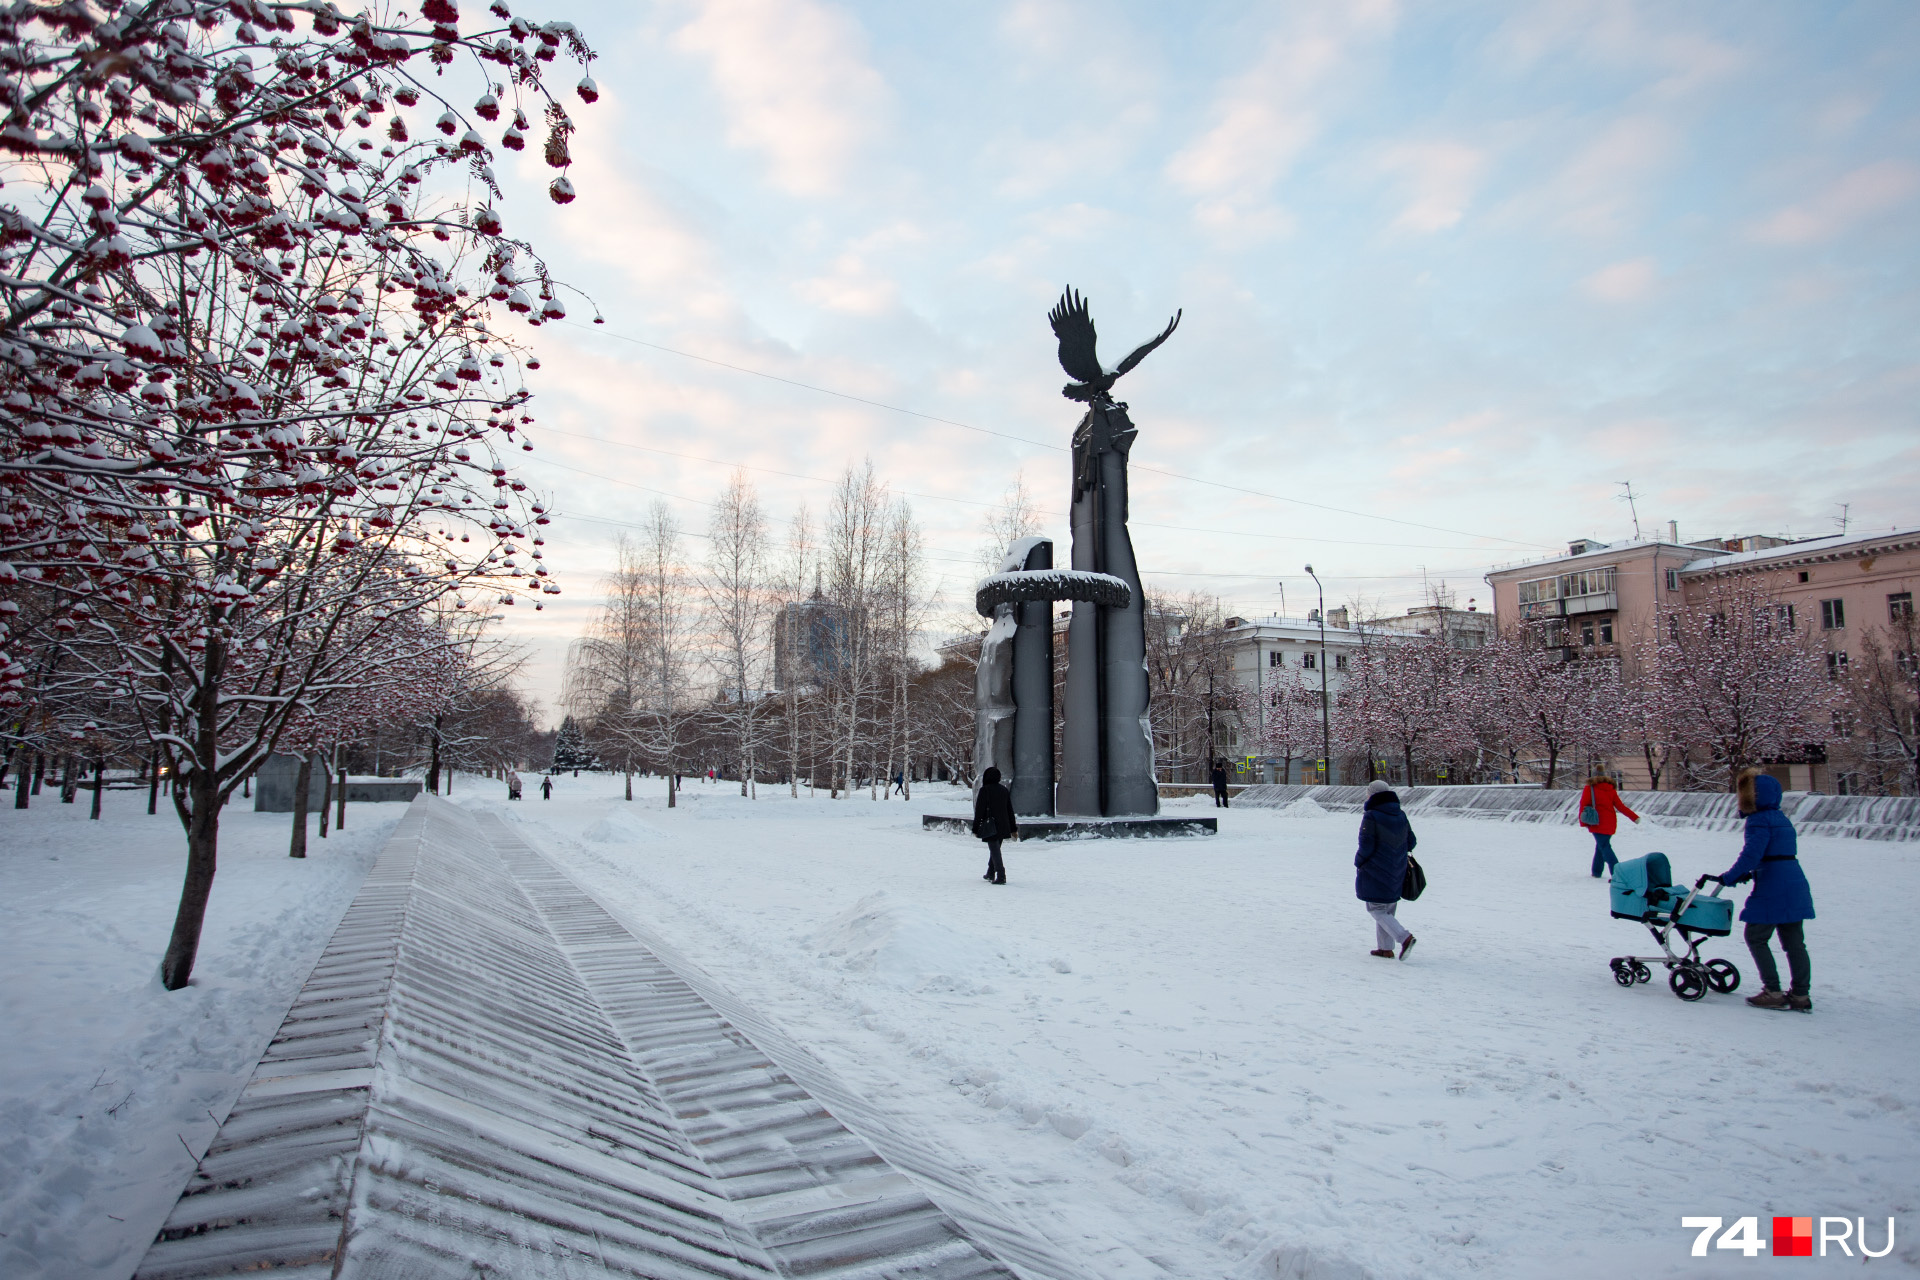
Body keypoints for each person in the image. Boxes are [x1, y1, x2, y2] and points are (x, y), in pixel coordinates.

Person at [1711, 769, 1814, 1012]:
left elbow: (1752, 855)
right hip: (1794, 880)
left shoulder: (1758, 820)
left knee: (1756, 936)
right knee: (1794, 942)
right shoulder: (1781, 818)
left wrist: (1731, 876)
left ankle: (1773, 991)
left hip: (1773, 884)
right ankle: (1801, 995)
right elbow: (1774, 851)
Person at [1355, 779, 1417, 959]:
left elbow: (1366, 844)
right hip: (1398, 867)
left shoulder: (1372, 815)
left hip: (1375, 868)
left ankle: (1404, 937)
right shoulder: (1401, 814)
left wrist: (1359, 861)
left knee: (1376, 908)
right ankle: (1385, 949)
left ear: (1372, 794)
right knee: (1388, 907)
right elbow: (1411, 841)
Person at [1578, 771, 1640, 878]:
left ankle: (1617, 873)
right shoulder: (1610, 788)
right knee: (1601, 846)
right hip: (1610, 822)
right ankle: (1596, 872)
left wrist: (1583, 822)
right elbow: (1620, 806)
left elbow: (1583, 805)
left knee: (1605, 847)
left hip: (1596, 822)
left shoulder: (1590, 788)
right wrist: (1634, 817)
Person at [973, 766, 1018, 885]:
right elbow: (1010, 810)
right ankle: (990, 872)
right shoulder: (1004, 790)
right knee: (995, 849)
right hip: (1004, 825)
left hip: (991, 825)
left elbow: (979, 811)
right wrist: (1013, 828)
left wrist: (975, 828)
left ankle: (1001, 875)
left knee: (995, 850)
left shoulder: (985, 790)